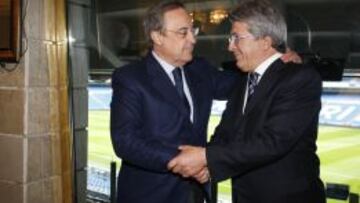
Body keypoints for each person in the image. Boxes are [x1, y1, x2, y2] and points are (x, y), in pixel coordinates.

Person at [167, 1, 326, 203]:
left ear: (265, 41)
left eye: (236, 38)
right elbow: (226, 131)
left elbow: (272, 142)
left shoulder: (299, 78)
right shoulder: (245, 79)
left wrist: (206, 157)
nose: (230, 46)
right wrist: (206, 167)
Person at [110, 1, 237, 203]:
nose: (193, 39)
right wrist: (184, 162)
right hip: (149, 195)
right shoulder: (131, 78)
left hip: (195, 194)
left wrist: (277, 60)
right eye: (183, 32)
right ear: (157, 36)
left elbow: (241, 84)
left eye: (193, 30)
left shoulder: (200, 69)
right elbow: (125, 140)